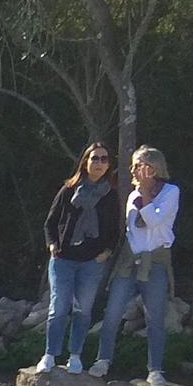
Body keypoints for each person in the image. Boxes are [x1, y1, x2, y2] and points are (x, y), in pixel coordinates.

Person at [88, 147, 180, 384]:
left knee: (155, 318)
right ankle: (103, 360)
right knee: (113, 312)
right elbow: (133, 228)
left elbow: (156, 221)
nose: (133, 170)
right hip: (130, 261)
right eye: (133, 165)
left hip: (156, 262)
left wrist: (147, 194)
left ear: (153, 168)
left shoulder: (171, 192)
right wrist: (141, 194)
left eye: (138, 165)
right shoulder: (131, 195)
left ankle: (155, 369)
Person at [34, 142, 121, 373]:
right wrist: (52, 245)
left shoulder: (110, 196)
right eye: (95, 158)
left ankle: (75, 355)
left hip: (91, 263)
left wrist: (106, 253)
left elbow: (115, 231)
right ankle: (50, 355)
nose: (99, 163)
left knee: (83, 310)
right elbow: (50, 223)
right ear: (85, 162)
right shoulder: (69, 189)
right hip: (63, 259)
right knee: (58, 308)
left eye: (104, 159)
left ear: (109, 164)